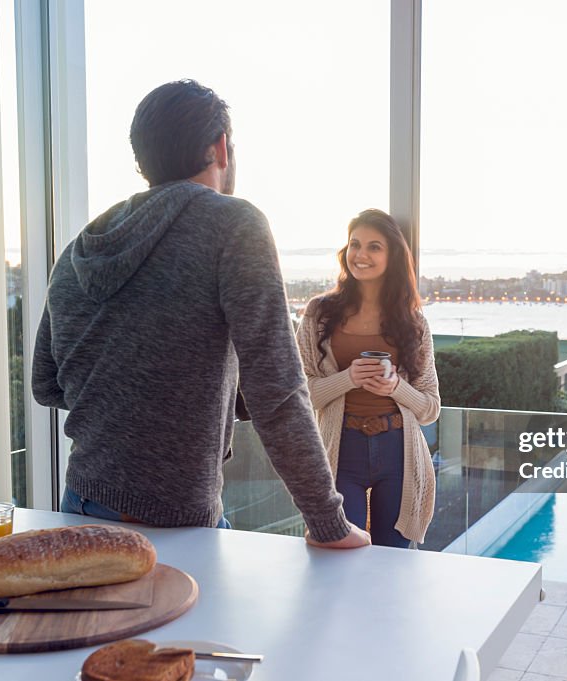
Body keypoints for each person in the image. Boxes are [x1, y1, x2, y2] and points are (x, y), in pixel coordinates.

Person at [32, 79, 368, 549]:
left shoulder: (77, 251)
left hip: (80, 507)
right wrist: (328, 522)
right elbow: (278, 390)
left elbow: (47, 385)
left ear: (141, 160)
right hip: (174, 522)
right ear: (221, 149)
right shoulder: (234, 224)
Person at [296, 209, 440, 547]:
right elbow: (299, 394)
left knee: (394, 560)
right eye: (355, 244)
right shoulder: (319, 313)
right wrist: (347, 378)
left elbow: (430, 408)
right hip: (340, 449)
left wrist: (396, 388)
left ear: (392, 255)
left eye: (374, 247)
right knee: (341, 552)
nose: (361, 255)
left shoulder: (414, 323)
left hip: (398, 452)